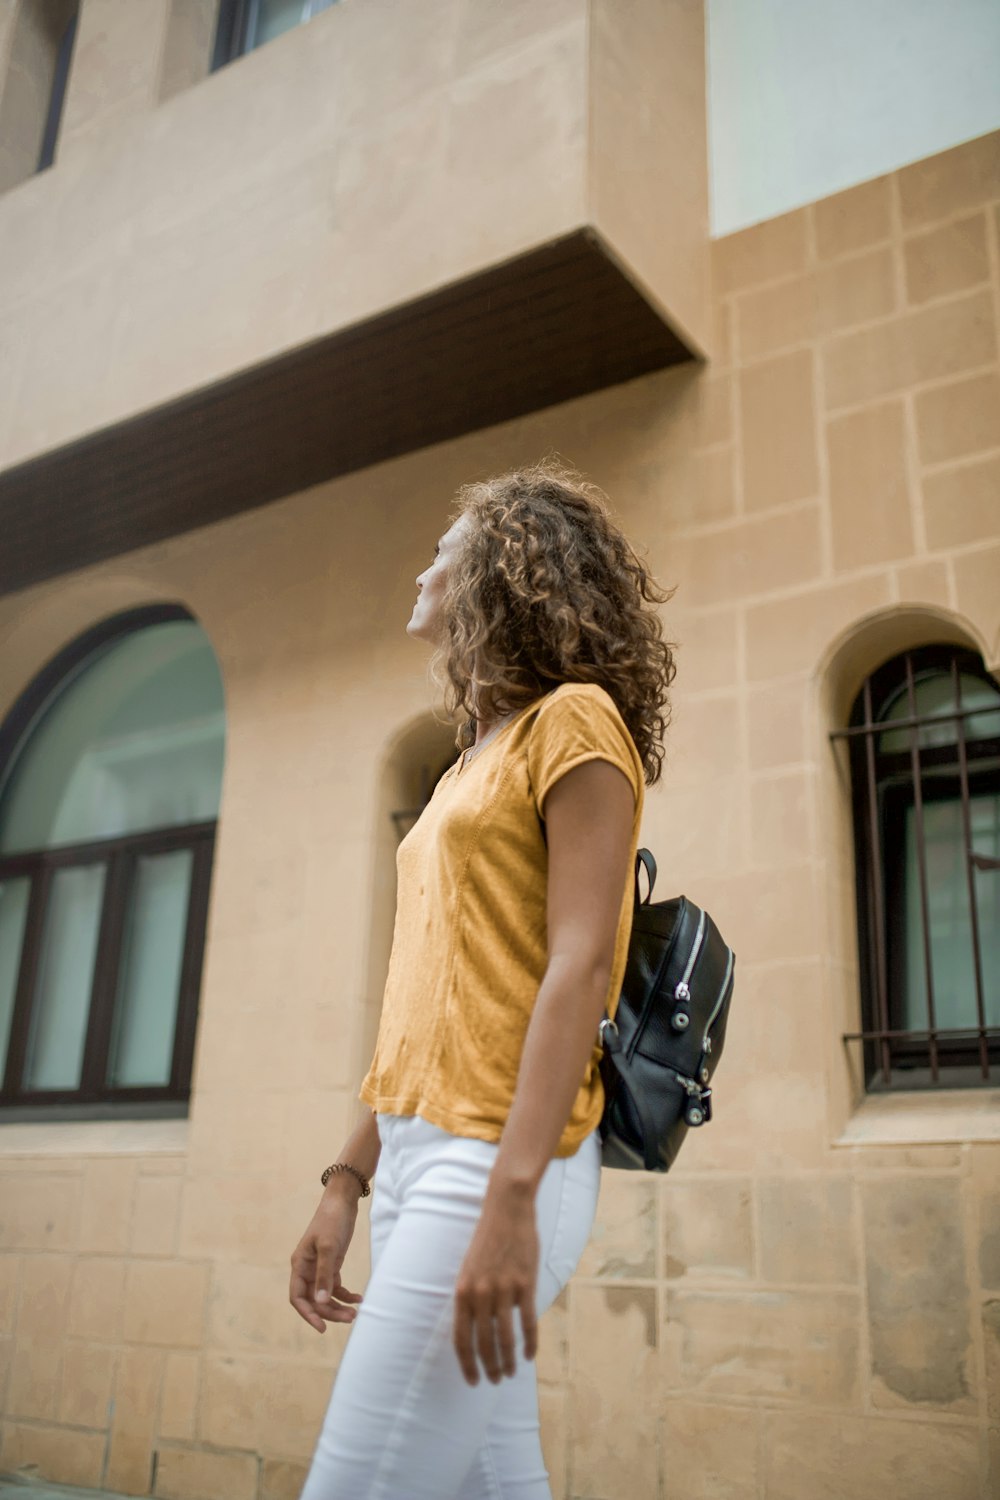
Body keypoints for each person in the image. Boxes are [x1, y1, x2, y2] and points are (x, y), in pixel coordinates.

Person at [292, 461, 674, 1499]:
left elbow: (579, 963)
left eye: (441, 550)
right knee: (496, 1483)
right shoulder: (468, 761)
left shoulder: (573, 722)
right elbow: (426, 1001)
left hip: (496, 1165)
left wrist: (512, 1195)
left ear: (500, 573)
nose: (421, 568)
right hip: (420, 1159)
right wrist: (347, 1180)